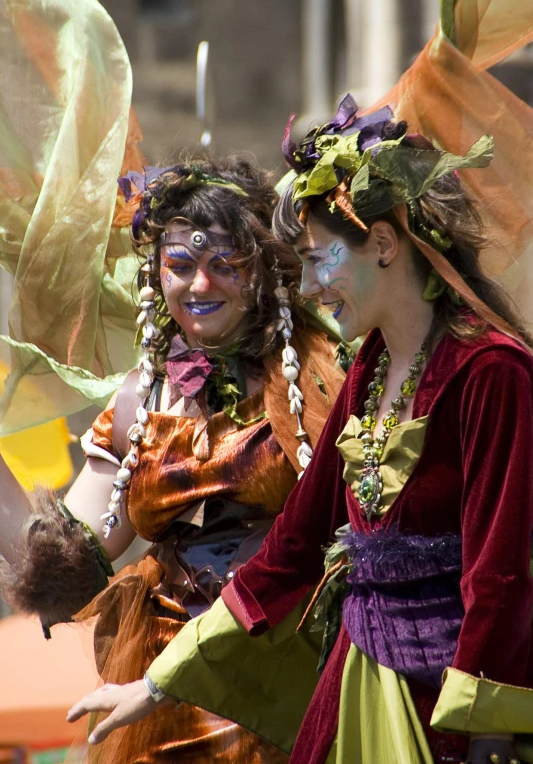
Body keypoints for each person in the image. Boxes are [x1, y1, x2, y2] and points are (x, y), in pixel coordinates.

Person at [67, 94, 533, 764]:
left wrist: (484, 735)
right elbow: (289, 549)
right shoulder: (371, 368)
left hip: (446, 706)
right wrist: (157, 684)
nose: (309, 286)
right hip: (356, 679)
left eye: (317, 260)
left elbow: (498, 574)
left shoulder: (489, 372)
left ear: (381, 244)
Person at [0, 156, 347, 763]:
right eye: (181, 265)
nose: (200, 286)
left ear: (261, 270)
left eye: (224, 265)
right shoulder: (143, 395)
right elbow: (71, 559)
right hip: (161, 694)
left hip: (285, 674)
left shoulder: (313, 376)